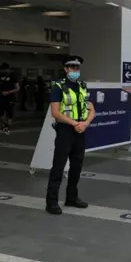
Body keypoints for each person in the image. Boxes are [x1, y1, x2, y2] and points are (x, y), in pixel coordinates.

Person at [45, 56, 95, 215]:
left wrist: (85, 123)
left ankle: (71, 198)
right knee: (58, 166)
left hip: (81, 130)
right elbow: (55, 113)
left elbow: (91, 108)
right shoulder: (58, 86)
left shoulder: (82, 86)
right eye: (71, 67)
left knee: (77, 166)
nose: (75, 70)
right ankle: (51, 202)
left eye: (77, 67)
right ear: (65, 69)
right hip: (66, 130)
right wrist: (75, 124)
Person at [0, 63, 19, 134]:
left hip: (10, 97)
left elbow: (17, 88)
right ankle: (7, 125)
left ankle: (6, 128)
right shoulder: (1, 75)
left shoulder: (13, 76)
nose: (2, 71)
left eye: (3, 70)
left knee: (9, 113)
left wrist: (8, 92)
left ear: (7, 69)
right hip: (1, 96)